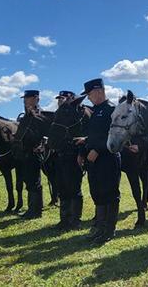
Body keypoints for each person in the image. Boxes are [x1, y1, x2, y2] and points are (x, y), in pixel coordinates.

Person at [76, 78, 121, 244]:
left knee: (109, 194)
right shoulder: (95, 111)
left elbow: (115, 136)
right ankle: (100, 227)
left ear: (99, 91)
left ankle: (109, 230)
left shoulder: (112, 110)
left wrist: (98, 149)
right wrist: (84, 146)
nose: (88, 98)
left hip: (108, 159)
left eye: (89, 94)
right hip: (93, 161)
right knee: (97, 193)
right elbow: (94, 134)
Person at [53, 90, 84, 231]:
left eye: (63, 98)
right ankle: (64, 219)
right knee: (62, 188)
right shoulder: (59, 114)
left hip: (73, 154)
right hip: (60, 154)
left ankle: (75, 220)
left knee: (74, 188)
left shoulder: (76, 114)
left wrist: (80, 153)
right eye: (59, 98)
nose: (60, 100)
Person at [18, 89, 44, 219]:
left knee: (34, 181)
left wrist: (40, 146)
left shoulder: (40, 115)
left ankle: (36, 210)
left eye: (27, 99)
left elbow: (45, 134)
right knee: (28, 181)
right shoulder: (25, 116)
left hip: (34, 152)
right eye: (24, 99)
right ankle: (31, 208)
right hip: (24, 152)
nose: (25, 101)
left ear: (36, 99)